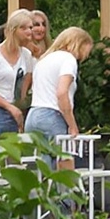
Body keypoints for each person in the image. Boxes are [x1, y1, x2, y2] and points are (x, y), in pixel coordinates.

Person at [29, 25, 91, 160]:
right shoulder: (69, 60)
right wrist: (73, 126)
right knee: (62, 163)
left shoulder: (44, 59)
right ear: (80, 44)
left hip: (33, 114)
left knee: (42, 164)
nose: (85, 55)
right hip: (52, 115)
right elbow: (62, 93)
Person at [0, 13, 35, 137]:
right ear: (12, 30)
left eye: (30, 27)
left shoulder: (26, 55)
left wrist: (21, 103)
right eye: (23, 28)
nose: (29, 31)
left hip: (13, 107)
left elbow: (28, 79)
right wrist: (9, 107)